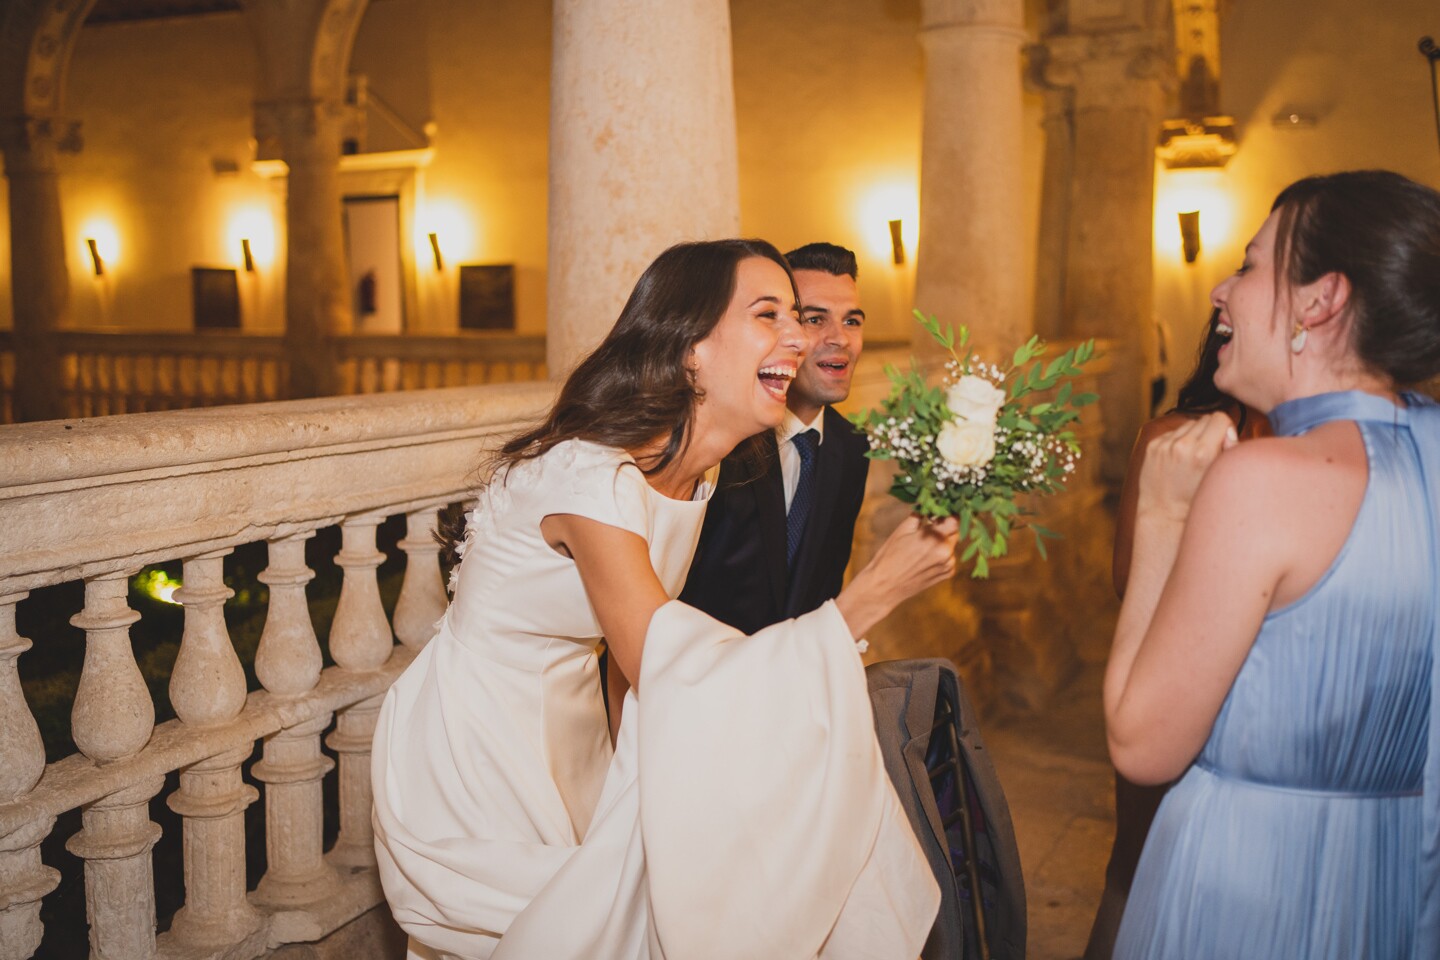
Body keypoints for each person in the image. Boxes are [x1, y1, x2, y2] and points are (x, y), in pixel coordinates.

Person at [372, 238, 958, 959]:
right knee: (560, 929)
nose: (801, 338)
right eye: (769, 314)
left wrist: (644, 786)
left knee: (646, 888)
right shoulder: (594, 479)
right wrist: (865, 601)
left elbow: (630, 661)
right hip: (481, 738)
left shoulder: (696, 477)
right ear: (690, 349)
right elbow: (663, 655)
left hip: (576, 727)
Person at [1104, 170, 1440, 959]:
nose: (1223, 289)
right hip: (1392, 878)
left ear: (1319, 302)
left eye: (1252, 265)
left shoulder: (1264, 480)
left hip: (1254, 885)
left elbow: (1141, 743)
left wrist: (1159, 512)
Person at [1084, 309, 1270, 960]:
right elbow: (1128, 573)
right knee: (1137, 868)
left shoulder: (1316, 446)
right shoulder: (1171, 436)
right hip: (1175, 672)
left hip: (1269, 706)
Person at [680, 241, 868, 634]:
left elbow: (820, 592)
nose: (840, 339)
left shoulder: (851, 448)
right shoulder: (720, 440)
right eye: (815, 320)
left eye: (852, 321)